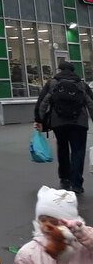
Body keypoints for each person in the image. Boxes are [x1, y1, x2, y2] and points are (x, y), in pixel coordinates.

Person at [35, 61, 93, 194]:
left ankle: (65, 178)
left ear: (60, 70)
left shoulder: (52, 83)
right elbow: (91, 104)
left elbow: (42, 103)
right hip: (79, 123)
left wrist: (39, 120)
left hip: (59, 123)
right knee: (78, 151)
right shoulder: (81, 84)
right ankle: (76, 184)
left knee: (63, 149)